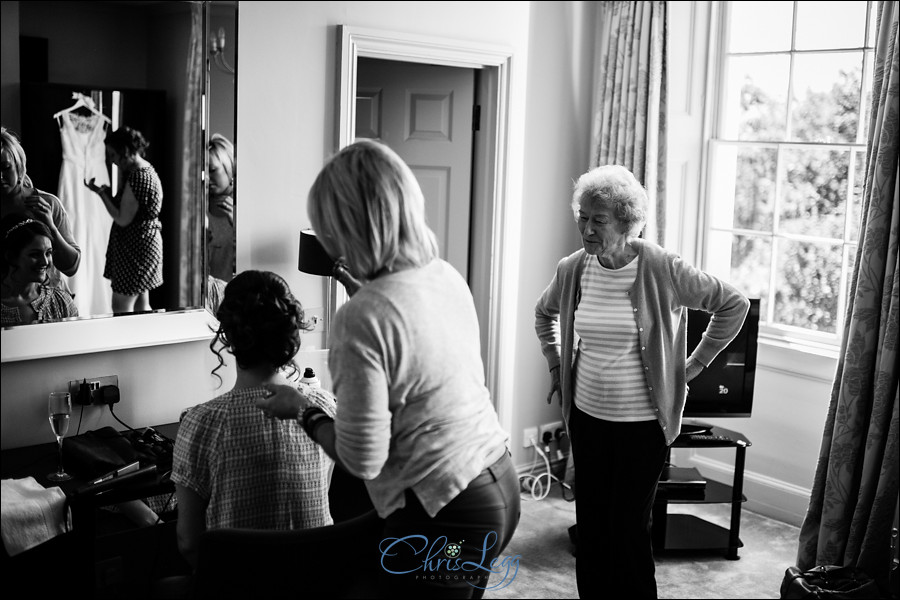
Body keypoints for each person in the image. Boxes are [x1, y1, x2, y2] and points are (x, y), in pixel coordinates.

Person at [256, 139, 520, 599]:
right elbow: (412, 337)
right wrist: (365, 293)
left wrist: (303, 410)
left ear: (346, 228)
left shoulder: (361, 318)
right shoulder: (442, 274)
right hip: (498, 486)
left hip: (446, 513)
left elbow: (363, 459)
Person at [534, 164, 750, 599]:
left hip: (642, 426)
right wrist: (557, 367)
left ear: (627, 223)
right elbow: (544, 314)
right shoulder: (574, 269)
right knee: (592, 526)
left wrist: (693, 366)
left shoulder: (662, 268)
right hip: (588, 418)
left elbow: (733, 304)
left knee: (629, 530)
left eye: (599, 220)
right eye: (583, 217)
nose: (587, 229)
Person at [171, 269, 336, 569]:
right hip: (317, 581)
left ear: (229, 336)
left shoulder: (202, 424)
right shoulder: (324, 408)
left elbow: (189, 543)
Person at [84, 126, 162, 314]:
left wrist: (102, 193)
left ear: (125, 152)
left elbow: (122, 219)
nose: (111, 160)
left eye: (113, 155)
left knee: (121, 307)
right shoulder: (146, 170)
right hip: (142, 246)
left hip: (135, 250)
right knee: (141, 306)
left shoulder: (138, 177)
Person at [1, 126, 81, 294]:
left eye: (5, 168)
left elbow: (71, 267)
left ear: (19, 166)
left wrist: (51, 227)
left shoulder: (48, 203)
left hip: (49, 301)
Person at [1, 214, 78, 325]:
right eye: (35, 254)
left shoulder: (61, 301)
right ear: (11, 256)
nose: (45, 262)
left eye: (48, 253)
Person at [207, 133, 235, 282]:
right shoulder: (198, 208)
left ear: (228, 166)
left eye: (213, 170)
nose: (207, 178)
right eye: (204, 172)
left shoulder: (244, 208)